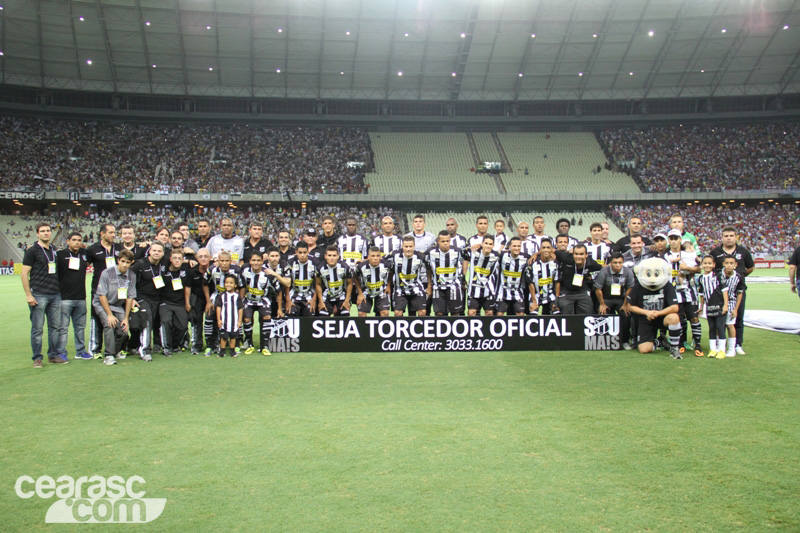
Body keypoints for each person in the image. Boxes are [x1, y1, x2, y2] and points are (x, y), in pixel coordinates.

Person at [21, 222, 65, 368]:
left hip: (55, 294)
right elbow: (24, 273)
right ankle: (37, 358)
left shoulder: (53, 249)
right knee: (37, 328)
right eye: (43, 231)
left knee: (55, 327)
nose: (46, 233)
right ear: (37, 234)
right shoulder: (32, 251)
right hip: (39, 294)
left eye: (48, 231)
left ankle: (53, 355)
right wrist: (28, 294)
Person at [709, 226, 754, 355]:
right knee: (720, 318)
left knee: (738, 317)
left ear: (736, 237)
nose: (729, 238)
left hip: (737, 291)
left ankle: (737, 344)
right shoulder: (715, 252)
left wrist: (740, 276)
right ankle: (720, 343)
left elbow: (751, 267)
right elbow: (711, 269)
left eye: (731, 236)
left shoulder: (743, 252)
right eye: (726, 236)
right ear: (722, 238)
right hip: (719, 293)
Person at [626, 261, 683, 359]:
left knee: (674, 317)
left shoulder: (667, 285)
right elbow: (630, 306)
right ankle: (660, 341)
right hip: (646, 319)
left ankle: (674, 348)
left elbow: (675, 307)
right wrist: (647, 312)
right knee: (644, 350)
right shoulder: (638, 286)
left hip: (662, 317)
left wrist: (658, 313)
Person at [92, 249, 137, 366]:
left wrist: (126, 318)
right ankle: (109, 355)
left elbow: (130, 298)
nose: (124, 264)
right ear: (118, 261)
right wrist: (110, 315)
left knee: (123, 329)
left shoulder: (132, 276)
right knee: (109, 324)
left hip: (117, 305)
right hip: (102, 303)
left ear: (132, 262)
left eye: (127, 262)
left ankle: (115, 351)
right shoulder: (107, 273)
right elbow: (102, 295)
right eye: (122, 261)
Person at [665, 229, 703, 356]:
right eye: (671, 238)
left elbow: (699, 268)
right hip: (673, 291)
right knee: (680, 318)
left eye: (676, 238)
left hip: (689, 290)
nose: (674, 241)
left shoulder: (688, 251)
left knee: (694, 317)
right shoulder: (665, 255)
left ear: (680, 239)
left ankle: (698, 345)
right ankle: (681, 343)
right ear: (668, 240)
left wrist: (687, 268)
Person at [86, 224, 121, 356]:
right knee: (97, 318)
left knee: (116, 318)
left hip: (116, 289)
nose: (113, 235)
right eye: (110, 232)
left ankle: (116, 348)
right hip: (99, 288)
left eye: (114, 232)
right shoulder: (92, 249)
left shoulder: (118, 248)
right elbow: (84, 265)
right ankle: (95, 349)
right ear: (102, 233)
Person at [129, 241, 166, 361]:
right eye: (154, 250)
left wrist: (190, 260)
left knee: (154, 323)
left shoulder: (164, 263)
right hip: (142, 298)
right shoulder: (140, 265)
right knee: (146, 321)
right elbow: (129, 281)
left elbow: (178, 260)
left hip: (157, 299)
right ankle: (144, 350)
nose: (156, 253)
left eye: (159, 251)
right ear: (149, 251)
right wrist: (132, 299)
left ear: (163, 253)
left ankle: (132, 346)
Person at [56, 232, 91, 360]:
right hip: (64, 298)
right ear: (67, 241)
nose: (77, 242)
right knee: (63, 328)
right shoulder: (60, 255)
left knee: (80, 328)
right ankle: (61, 352)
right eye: (74, 240)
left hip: (81, 297)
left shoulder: (85, 254)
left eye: (79, 240)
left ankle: (80, 351)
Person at [203, 250, 242, 355]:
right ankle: (210, 345)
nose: (224, 263)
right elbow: (205, 284)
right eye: (222, 261)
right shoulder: (212, 269)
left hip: (232, 299)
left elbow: (241, 286)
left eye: (226, 261)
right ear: (218, 261)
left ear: (231, 261)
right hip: (217, 297)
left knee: (236, 320)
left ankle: (237, 344)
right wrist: (208, 301)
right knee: (209, 319)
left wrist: (239, 300)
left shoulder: (237, 270)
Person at [594, 252, 635, 349]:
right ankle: (606, 341)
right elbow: (598, 289)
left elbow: (630, 288)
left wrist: (625, 304)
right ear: (610, 263)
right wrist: (602, 304)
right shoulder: (604, 272)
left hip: (621, 298)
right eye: (615, 262)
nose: (617, 265)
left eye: (620, 263)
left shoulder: (628, 272)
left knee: (626, 314)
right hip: (606, 298)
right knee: (603, 314)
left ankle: (625, 340)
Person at [159, 248, 192, 357]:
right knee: (166, 322)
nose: (177, 260)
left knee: (182, 326)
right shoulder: (164, 270)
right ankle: (166, 347)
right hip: (166, 302)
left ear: (183, 260)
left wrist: (187, 303)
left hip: (180, 303)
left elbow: (187, 287)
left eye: (179, 258)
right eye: (174, 258)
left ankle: (175, 345)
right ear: (170, 259)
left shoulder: (186, 270)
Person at [240, 252, 275, 355]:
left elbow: (278, 290)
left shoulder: (268, 274)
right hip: (248, 300)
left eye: (258, 260)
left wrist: (279, 307)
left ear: (262, 261)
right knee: (246, 319)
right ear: (250, 261)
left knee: (267, 317)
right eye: (253, 260)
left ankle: (265, 346)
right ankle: (249, 344)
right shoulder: (244, 271)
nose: (256, 263)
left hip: (263, 300)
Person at [425, 231, 464, 316]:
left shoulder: (457, 251)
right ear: (438, 241)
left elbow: (465, 261)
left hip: (453, 286)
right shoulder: (430, 252)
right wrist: (429, 286)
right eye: (443, 241)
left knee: (454, 313)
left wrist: (463, 278)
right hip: (437, 287)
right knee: (439, 313)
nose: (445, 243)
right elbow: (428, 269)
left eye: (447, 241)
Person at [555, 244, 602, 314]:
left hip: (582, 292)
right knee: (565, 310)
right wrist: (536, 255)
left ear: (586, 255)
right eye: (576, 254)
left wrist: (592, 276)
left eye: (581, 254)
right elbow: (552, 251)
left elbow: (600, 268)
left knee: (588, 310)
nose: (578, 257)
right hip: (567, 292)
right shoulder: (566, 258)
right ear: (572, 254)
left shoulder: (591, 263)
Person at [389, 236, 429, 317]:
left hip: (416, 288)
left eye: (410, 246)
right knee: (397, 313)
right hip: (400, 288)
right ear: (402, 246)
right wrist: (363, 261)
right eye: (406, 246)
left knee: (422, 312)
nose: (408, 249)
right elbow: (380, 261)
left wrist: (429, 286)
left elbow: (429, 269)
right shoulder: (394, 255)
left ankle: (419, 329)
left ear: (414, 246)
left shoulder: (420, 256)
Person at [697, 255, 728, 359]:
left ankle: (722, 350)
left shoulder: (718, 275)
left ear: (714, 265)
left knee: (720, 327)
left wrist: (726, 305)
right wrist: (701, 306)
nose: (707, 265)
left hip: (719, 306)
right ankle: (713, 349)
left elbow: (724, 291)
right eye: (705, 263)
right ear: (701, 265)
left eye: (709, 263)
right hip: (709, 307)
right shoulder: (701, 278)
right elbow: (702, 294)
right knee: (712, 328)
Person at [462, 235, 500, 316]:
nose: (488, 246)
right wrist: (471, 246)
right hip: (473, 289)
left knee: (489, 313)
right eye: (486, 243)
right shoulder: (473, 252)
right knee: (472, 313)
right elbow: (462, 251)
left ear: (493, 245)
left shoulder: (497, 256)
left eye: (490, 244)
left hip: (488, 290)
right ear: (482, 243)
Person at [316, 246, 353, 317]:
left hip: (341, 297)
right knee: (323, 317)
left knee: (345, 316)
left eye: (334, 255)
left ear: (338, 256)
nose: (332, 258)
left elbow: (349, 284)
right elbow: (318, 284)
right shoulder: (320, 268)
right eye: (329, 255)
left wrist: (347, 301)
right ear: (325, 256)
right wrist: (321, 301)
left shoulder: (345, 267)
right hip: (326, 297)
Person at [354, 246, 392, 317]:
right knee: (361, 314)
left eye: (377, 256)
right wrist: (360, 293)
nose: (375, 258)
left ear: (380, 256)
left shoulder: (387, 265)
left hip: (381, 292)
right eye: (373, 256)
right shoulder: (361, 267)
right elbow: (355, 277)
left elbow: (391, 272)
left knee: (385, 313)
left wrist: (388, 286)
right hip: (366, 292)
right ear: (368, 257)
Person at [495, 237, 528, 316]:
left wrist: (536, 254)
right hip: (502, 291)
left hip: (517, 291)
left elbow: (538, 258)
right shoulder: (503, 255)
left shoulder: (526, 257)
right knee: (500, 314)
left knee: (520, 314)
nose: (516, 248)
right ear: (509, 247)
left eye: (518, 246)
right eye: (514, 246)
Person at [720, 256, 745, 358]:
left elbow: (739, 294)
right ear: (723, 264)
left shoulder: (739, 277)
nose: (729, 265)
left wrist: (735, 309)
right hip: (719, 303)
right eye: (727, 263)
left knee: (730, 325)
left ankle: (731, 349)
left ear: (735, 265)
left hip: (731, 302)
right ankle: (720, 347)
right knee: (719, 326)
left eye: (731, 263)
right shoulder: (718, 275)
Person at [188, 248, 212, 355]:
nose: (203, 259)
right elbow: (188, 288)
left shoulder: (214, 270)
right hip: (197, 298)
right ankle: (197, 345)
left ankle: (212, 344)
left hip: (211, 299)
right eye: (200, 256)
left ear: (210, 258)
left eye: (205, 256)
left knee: (211, 321)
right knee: (196, 321)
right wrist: (187, 303)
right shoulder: (192, 271)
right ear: (197, 258)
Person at [285, 241, 319, 316]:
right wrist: (288, 301)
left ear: (308, 251)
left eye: (304, 252)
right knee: (291, 313)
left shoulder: (315, 263)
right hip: (294, 294)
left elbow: (318, 283)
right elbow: (286, 283)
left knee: (310, 314)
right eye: (300, 253)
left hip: (309, 295)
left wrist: (314, 299)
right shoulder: (290, 262)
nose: (302, 255)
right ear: (296, 252)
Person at [216, 274, 243, 358]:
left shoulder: (237, 296)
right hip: (224, 320)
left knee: (233, 336)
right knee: (223, 337)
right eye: (227, 282)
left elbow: (240, 309)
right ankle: (222, 351)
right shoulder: (222, 295)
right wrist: (219, 319)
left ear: (235, 285)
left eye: (231, 283)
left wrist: (239, 321)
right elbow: (218, 307)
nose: (228, 284)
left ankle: (232, 351)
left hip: (234, 321)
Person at [529, 238, 559, 315]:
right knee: (533, 314)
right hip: (536, 296)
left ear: (552, 249)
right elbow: (530, 283)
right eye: (544, 248)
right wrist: (534, 301)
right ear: (540, 249)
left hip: (551, 296)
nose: (546, 250)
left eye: (548, 248)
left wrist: (557, 300)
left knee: (556, 314)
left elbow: (557, 282)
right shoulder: (533, 263)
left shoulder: (556, 263)